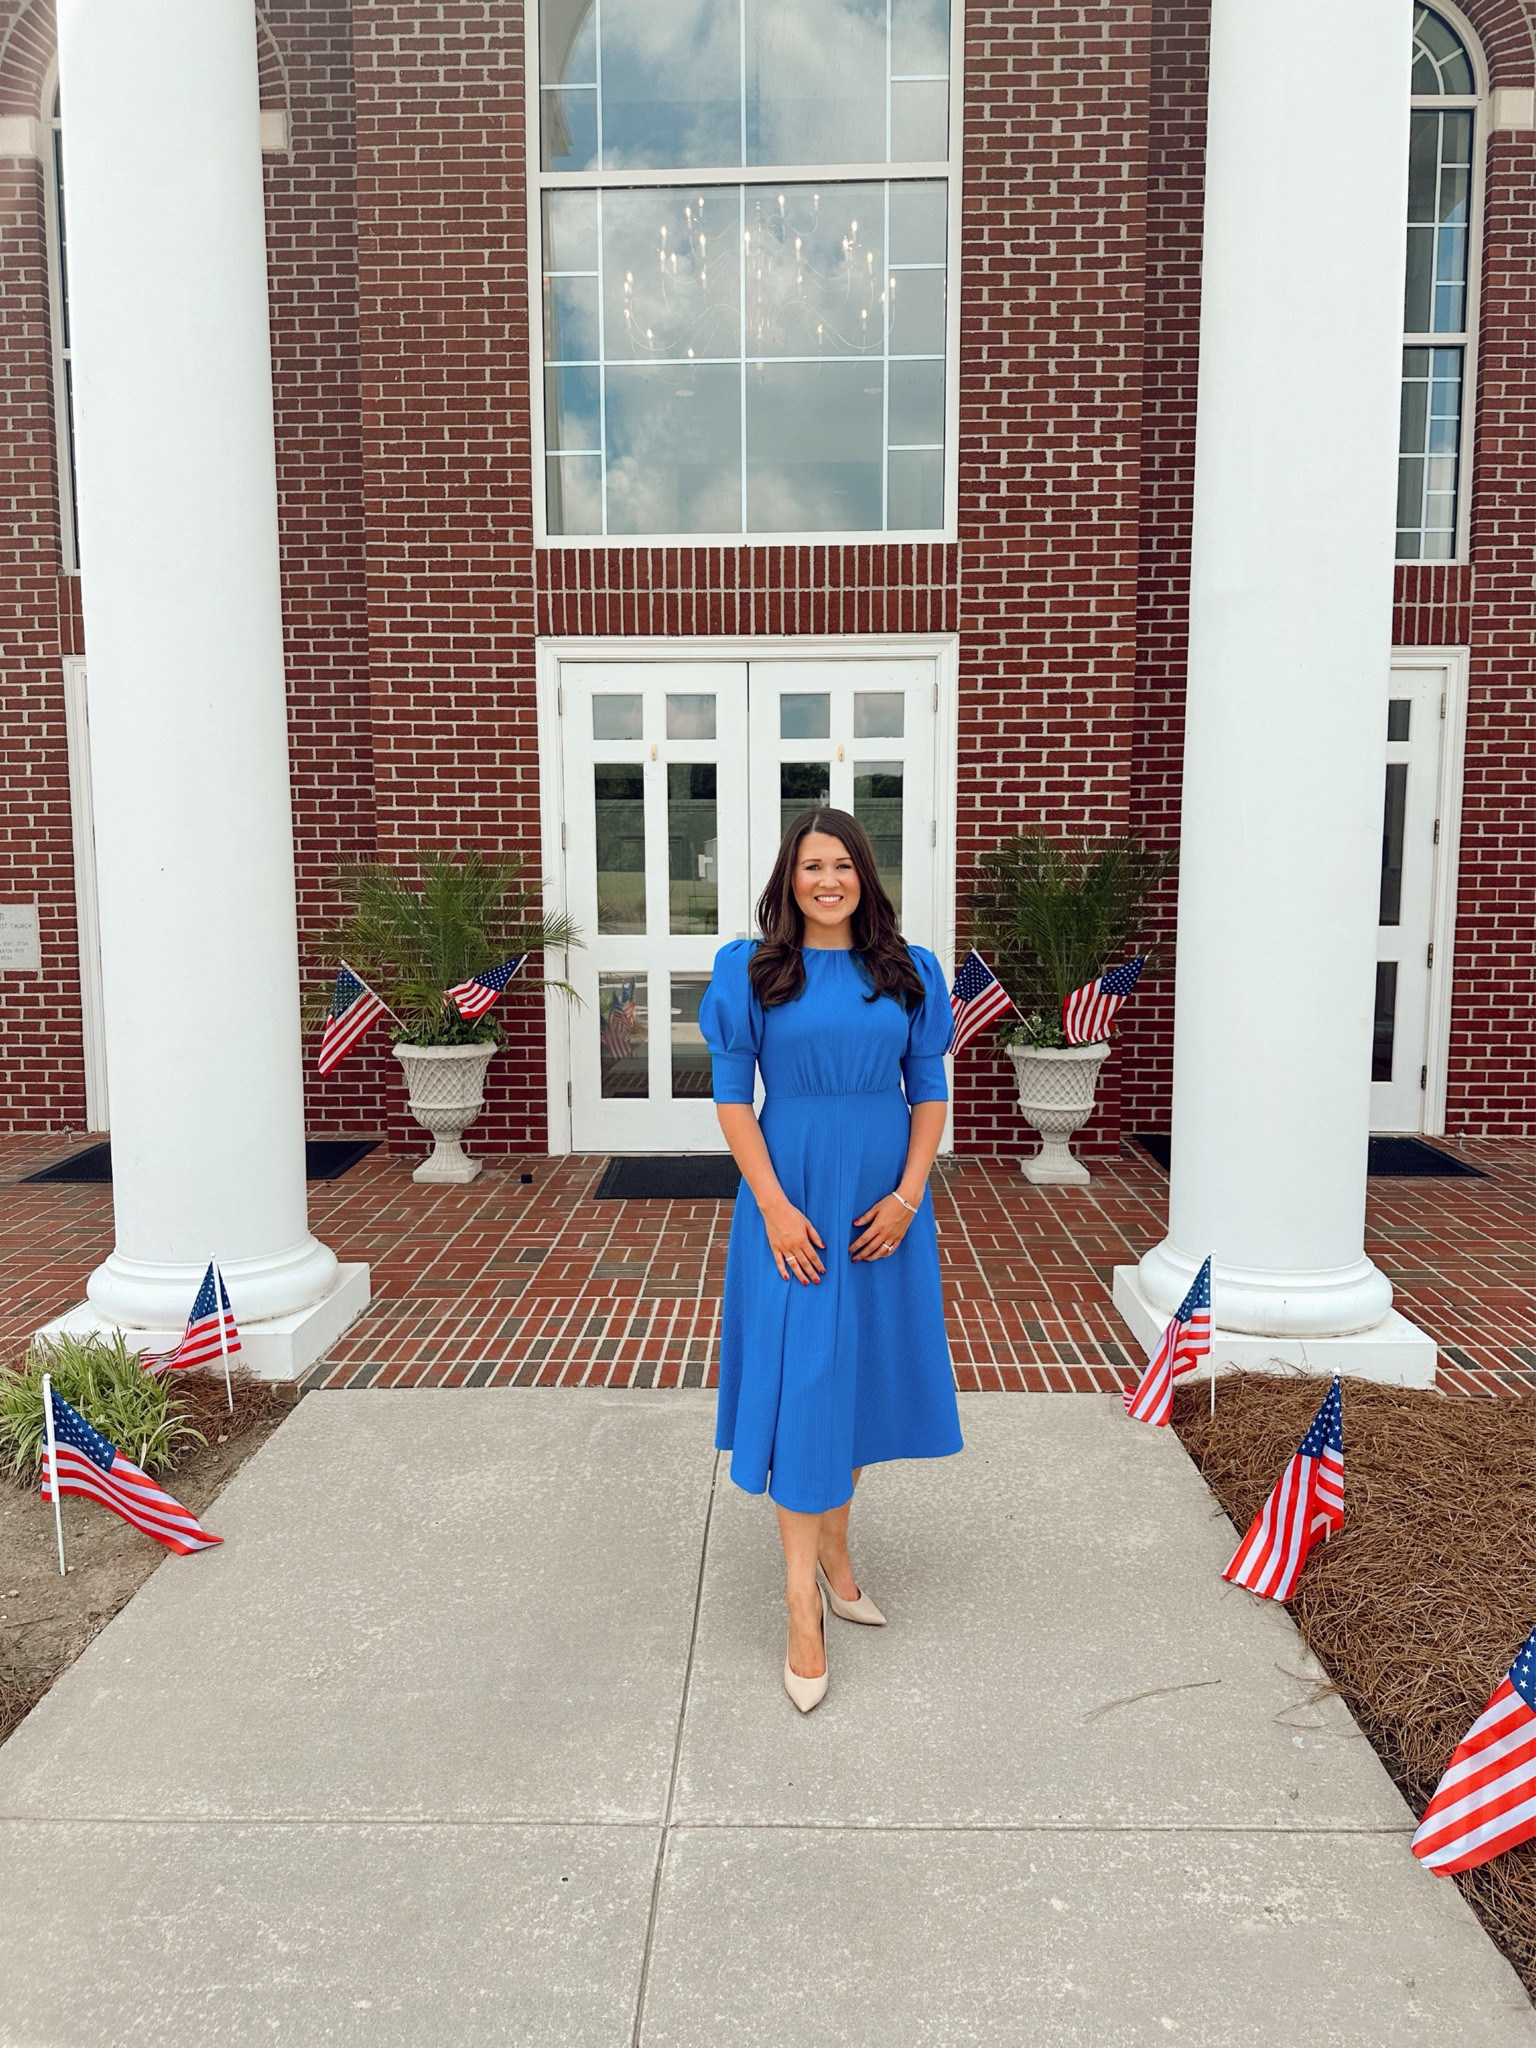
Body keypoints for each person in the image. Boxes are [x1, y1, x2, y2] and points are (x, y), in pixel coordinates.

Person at [700, 808, 963, 1714]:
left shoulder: (910, 971)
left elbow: (928, 1091)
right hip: (793, 1201)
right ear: (790, 876)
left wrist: (907, 1197)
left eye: (843, 865)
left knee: (855, 1380)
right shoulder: (751, 972)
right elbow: (734, 1102)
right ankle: (799, 1603)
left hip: (882, 1206)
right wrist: (774, 1207)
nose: (828, 880)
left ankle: (841, 1555)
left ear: (865, 876)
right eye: (812, 865)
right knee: (806, 1383)